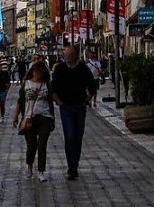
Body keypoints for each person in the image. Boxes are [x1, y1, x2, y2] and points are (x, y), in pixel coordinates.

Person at [51, 45, 97, 180]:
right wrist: (58, 102)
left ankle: (74, 165)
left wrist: (86, 101)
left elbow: (92, 88)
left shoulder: (84, 69)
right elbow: (53, 88)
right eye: (65, 55)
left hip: (79, 106)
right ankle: (72, 168)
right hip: (66, 107)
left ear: (75, 56)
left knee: (78, 137)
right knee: (69, 136)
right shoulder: (60, 69)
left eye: (68, 55)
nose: (66, 58)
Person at [13, 61, 55, 181]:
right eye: (36, 71)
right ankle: (29, 164)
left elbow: (50, 102)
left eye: (41, 71)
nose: (38, 73)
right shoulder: (26, 84)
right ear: (32, 72)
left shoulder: (47, 84)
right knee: (32, 145)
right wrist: (16, 116)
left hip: (45, 117)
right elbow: (20, 101)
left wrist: (53, 119)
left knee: (42, 145)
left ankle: (41, 171)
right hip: (29, 118)